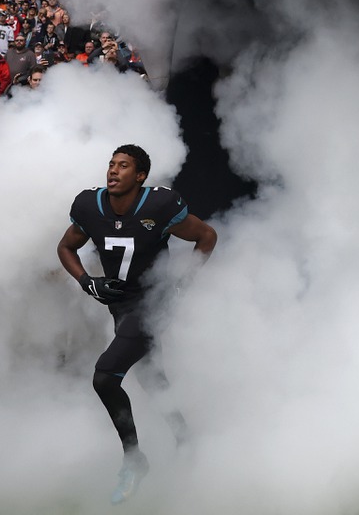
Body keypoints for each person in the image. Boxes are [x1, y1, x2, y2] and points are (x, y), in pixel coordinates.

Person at [56, 145, 217, 504]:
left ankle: (134, 459)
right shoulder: (89, 204)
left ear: (140, 176)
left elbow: (207, 236)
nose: (113, 170)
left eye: (123, 166)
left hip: (152, 304)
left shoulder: (159, 205)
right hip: (121, 307)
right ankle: (187, 440)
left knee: (104, 377)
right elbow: (65, 247)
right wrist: (88, 281)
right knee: (151, 377)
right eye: (111, 164)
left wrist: (182, 281)